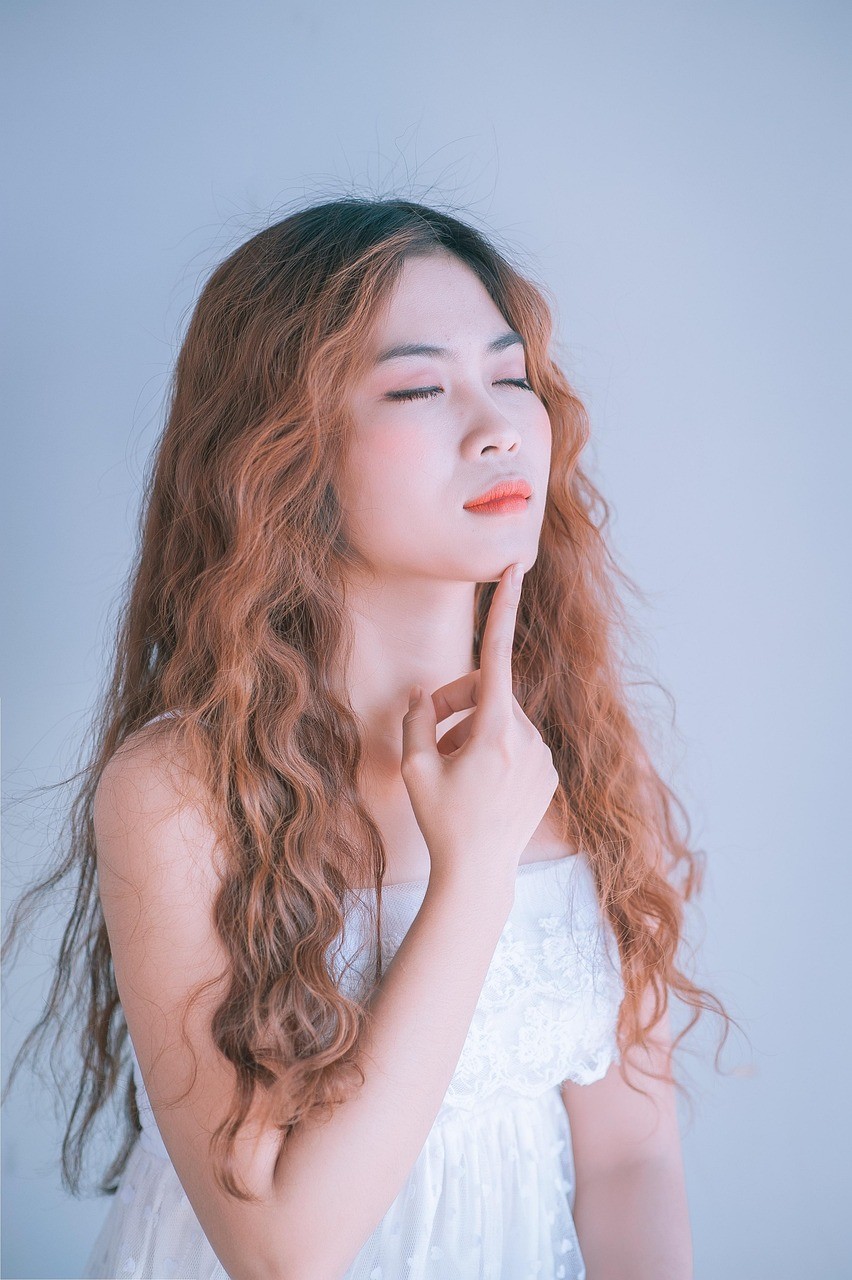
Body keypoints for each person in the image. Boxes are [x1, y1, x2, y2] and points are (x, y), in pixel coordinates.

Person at [3, 197, 732, 1279]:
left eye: (510, 372)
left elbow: (629, 1160)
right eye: (418, 386)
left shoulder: (570, 747)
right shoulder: (176, 792)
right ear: (283, 454)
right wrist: (474, 865)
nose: (496, 424)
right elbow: (283, 1249)